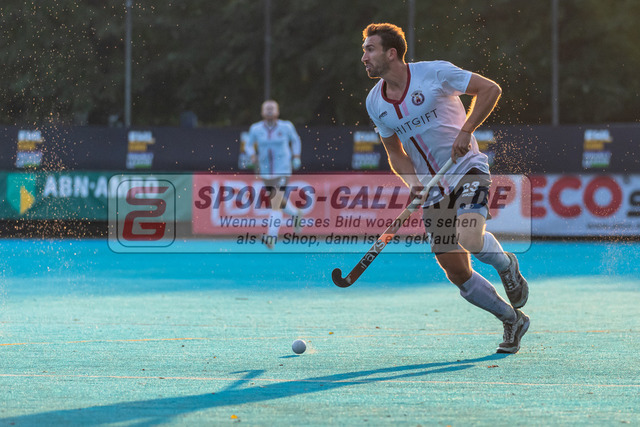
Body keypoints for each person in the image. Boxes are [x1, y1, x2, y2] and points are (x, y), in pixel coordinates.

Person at [361, 23, 529, 354]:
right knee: (456, 271)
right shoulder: (374, 102)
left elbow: (490, 89)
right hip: (432, 189)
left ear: (391, 53)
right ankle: (512, 319)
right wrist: (414, 184)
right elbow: (395, 152)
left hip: (467, 168)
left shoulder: (434, 73)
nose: (364, 57)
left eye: (370, 49)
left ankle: (506, 264)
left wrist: (466, 131)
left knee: (469, 237)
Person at [245, 100, 303, 249]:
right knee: (278, 200)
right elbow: (248, 145)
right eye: (267, 109)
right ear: (262, 112)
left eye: (272, 108)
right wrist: (252, 155)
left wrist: (296, 156)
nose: (270, 111)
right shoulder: (255, 129)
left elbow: (295, 140)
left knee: (275, 203)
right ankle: (295, 214)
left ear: (277, 111)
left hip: (283, 169)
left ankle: (271, 237)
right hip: (265, 171)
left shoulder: (286, 126)